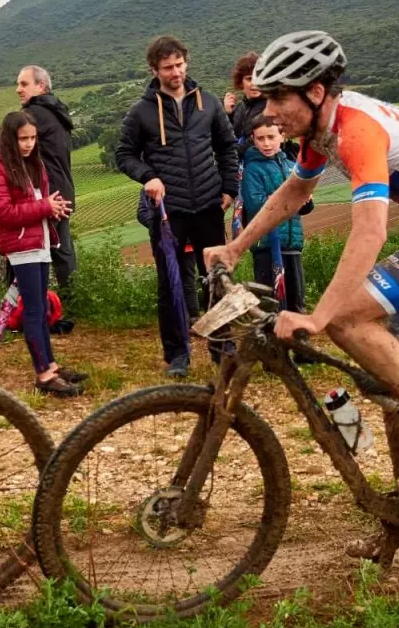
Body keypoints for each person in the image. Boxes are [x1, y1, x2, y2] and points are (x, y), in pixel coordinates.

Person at [205, 32, 399, 540]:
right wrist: (236, 247)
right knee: (394, 386)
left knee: (349, 318)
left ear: (317, 92)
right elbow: (296, 189)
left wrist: (320, 315)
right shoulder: (321, 130)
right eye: (267, 97)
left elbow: (370, 229)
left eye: (280, 97)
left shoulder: (356, 131)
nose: (269, 109)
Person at [115, 35, 239, 377]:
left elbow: (227, 148)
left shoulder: (209, 103)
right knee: (170, 283)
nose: (176, 72)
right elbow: (124, 155)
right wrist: (148, 176)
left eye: (180, 65)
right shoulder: (141, 111)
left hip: (209, 206)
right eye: (169, 67)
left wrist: (229, 187)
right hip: (168, 211)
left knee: (218, 277)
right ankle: (177, 355)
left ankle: (223, 347)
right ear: (155, 70)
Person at [0, 112, 84, 397]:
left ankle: (51, 365)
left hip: (39, 243)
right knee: (34, 312)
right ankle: (44, 375)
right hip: (21, 247)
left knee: (42, 311)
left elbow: (38, 202)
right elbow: (2, 213)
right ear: (9, 138)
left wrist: (54, 209)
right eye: (22, 138)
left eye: (32, 138)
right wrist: (45, 209)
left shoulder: (31, 164)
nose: (28, 144)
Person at [15, 65, 77, 328]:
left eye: (24, 84)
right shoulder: (56, 112)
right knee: (62, 247)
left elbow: (9, 147)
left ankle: (24, 310)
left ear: (41, 86)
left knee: (28, 248)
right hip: (63, 187)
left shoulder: (33, 114)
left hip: (47, 191)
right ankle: (73, 302)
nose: (18, 89)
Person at [239, 115, 306, 314]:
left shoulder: (291, 166)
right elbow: (257, 205)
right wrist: (291, 200)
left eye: (271, 137)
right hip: (266, 245)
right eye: (260, 139)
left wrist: (304, 201)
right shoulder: (252, 170)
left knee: (296, 300)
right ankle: (271, 341)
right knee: (271, 301)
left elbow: (304, 205)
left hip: (292, 242)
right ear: (253, 139)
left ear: (282, 137)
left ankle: (297, 338)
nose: (266, 143)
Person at [226, 53, 267, 148]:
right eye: (249, 79)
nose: (255, 84)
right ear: (241, 82)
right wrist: (229, 114)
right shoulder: (240, 106)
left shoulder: (270, 107)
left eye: (259, 78)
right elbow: (230, 135)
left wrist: (233, 153)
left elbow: (258, 140)